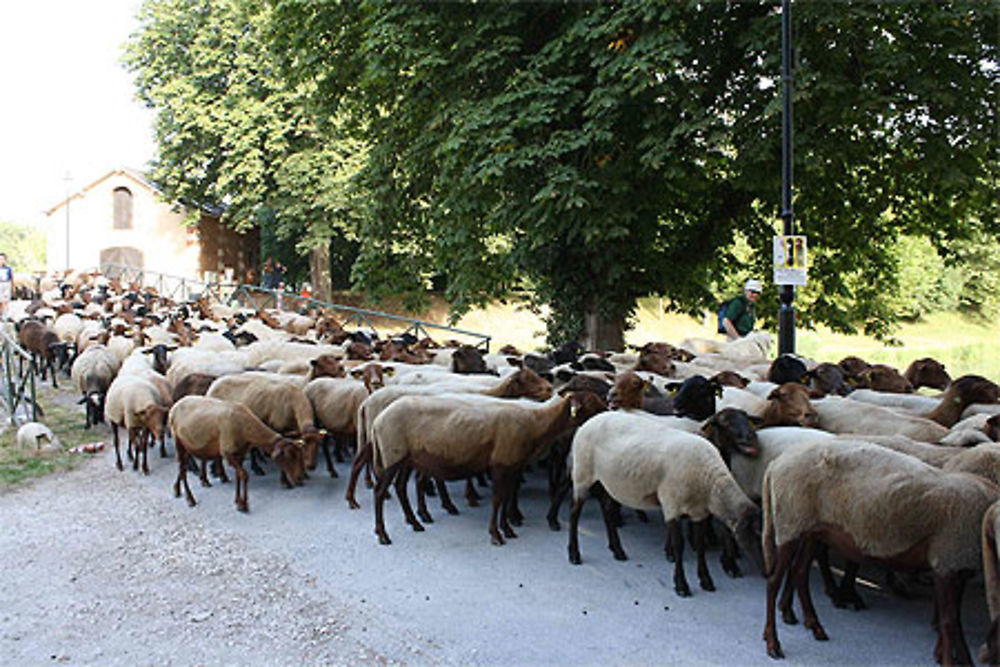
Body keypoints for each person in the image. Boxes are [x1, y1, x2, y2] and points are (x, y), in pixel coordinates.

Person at [0, 253, 13, 320]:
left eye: (2, 259)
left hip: (6, 284)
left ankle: (6, 315)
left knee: (5, 300)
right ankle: (1, 314)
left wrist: (12, 287)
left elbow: (11, 278)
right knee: (0, 301)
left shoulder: (8, 269)